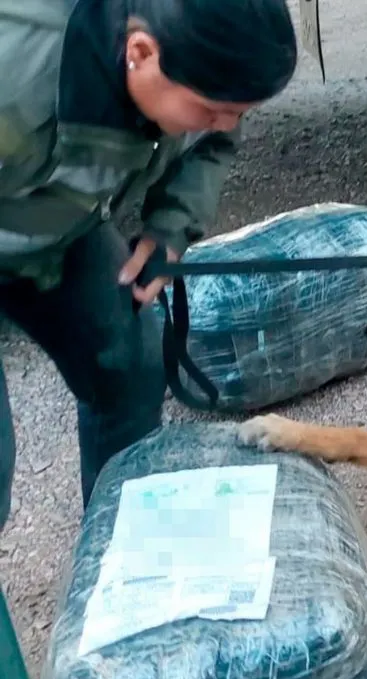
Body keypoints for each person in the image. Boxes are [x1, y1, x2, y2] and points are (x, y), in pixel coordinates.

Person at [0, 0, 298, 528]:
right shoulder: (15, 70)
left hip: (53, 229)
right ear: (140, 52)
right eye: (210, 108)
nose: (225, 124)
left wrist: (169, 229)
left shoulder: (190, 57)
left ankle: (118, 555)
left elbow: (214, 139)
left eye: (239, 111)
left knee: (131, 364)